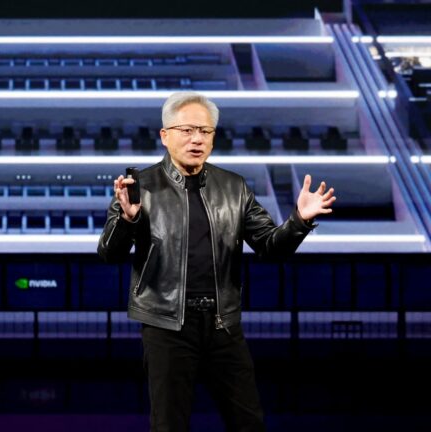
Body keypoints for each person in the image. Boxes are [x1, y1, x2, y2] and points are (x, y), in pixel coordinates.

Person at [97, 92, 336, 432]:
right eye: (187, 130)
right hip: (166, 325)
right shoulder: (139, 187)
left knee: (248, 423)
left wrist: (299, 221)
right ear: (165, 135)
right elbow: (109, 254)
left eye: (205, 131)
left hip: (223, 324)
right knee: (169, 425)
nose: (197, 139)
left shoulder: (233, 187)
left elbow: (271, 247)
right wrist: (128, 219)